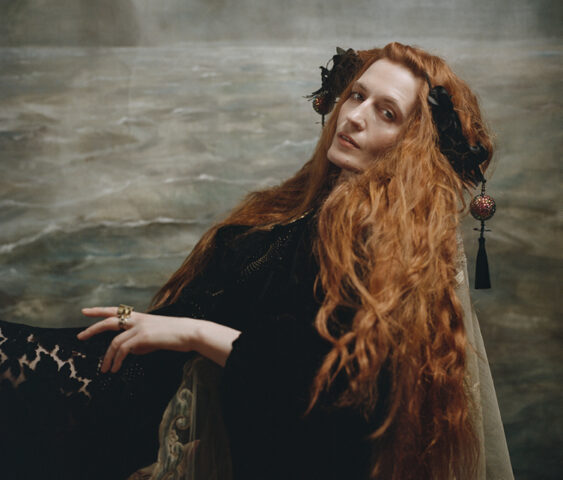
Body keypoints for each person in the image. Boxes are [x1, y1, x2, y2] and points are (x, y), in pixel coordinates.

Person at [0, 42, 513, 480]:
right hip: (141, 376)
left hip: (156, 412)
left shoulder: (376, 239)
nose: (355, 116)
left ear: (413, 146)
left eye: (387, 113)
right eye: (357, 95)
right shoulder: (306, 202)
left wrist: (189, 333)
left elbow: (324, 386)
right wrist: (150, 323)